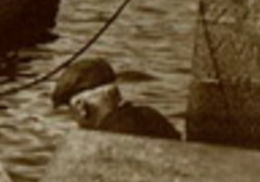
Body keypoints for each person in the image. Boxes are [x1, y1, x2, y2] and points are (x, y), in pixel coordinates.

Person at [51, 58, 180, 139]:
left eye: (71, 111)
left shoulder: (101, 140)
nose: (76, 122)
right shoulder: (152, 116)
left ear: (81, 107)